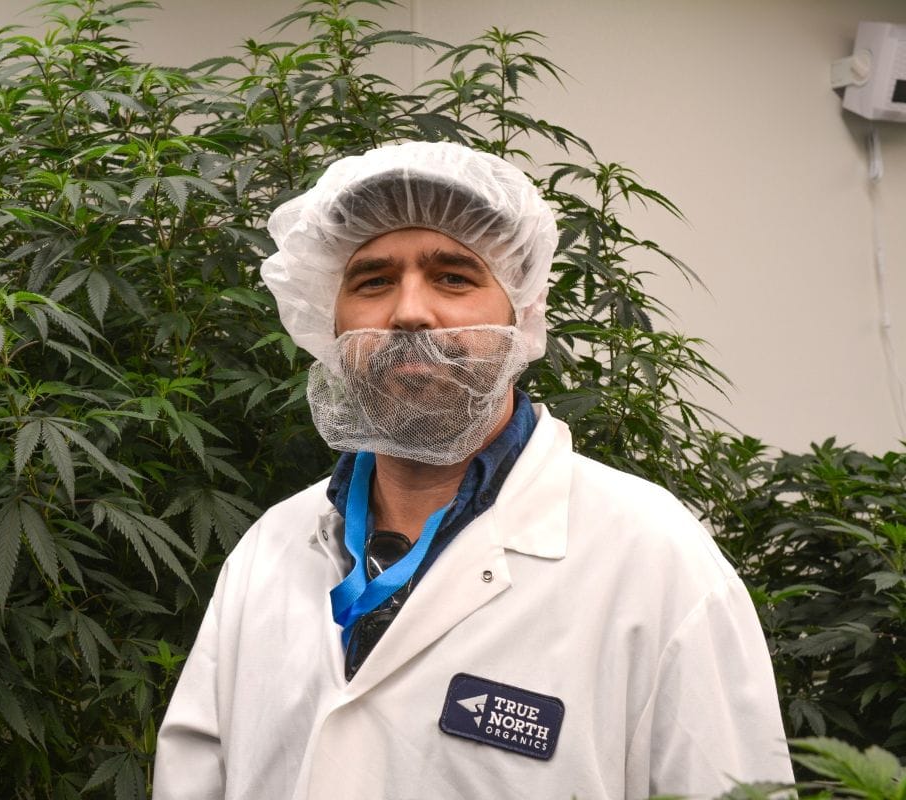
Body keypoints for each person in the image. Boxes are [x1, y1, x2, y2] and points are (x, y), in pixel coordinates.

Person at [153, 141, 793, 799]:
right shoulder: (269, 550)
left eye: (453, 277)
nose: (409, 311)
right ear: (329, 319)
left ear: (522, 310)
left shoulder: (654, 559)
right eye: (373, 281)